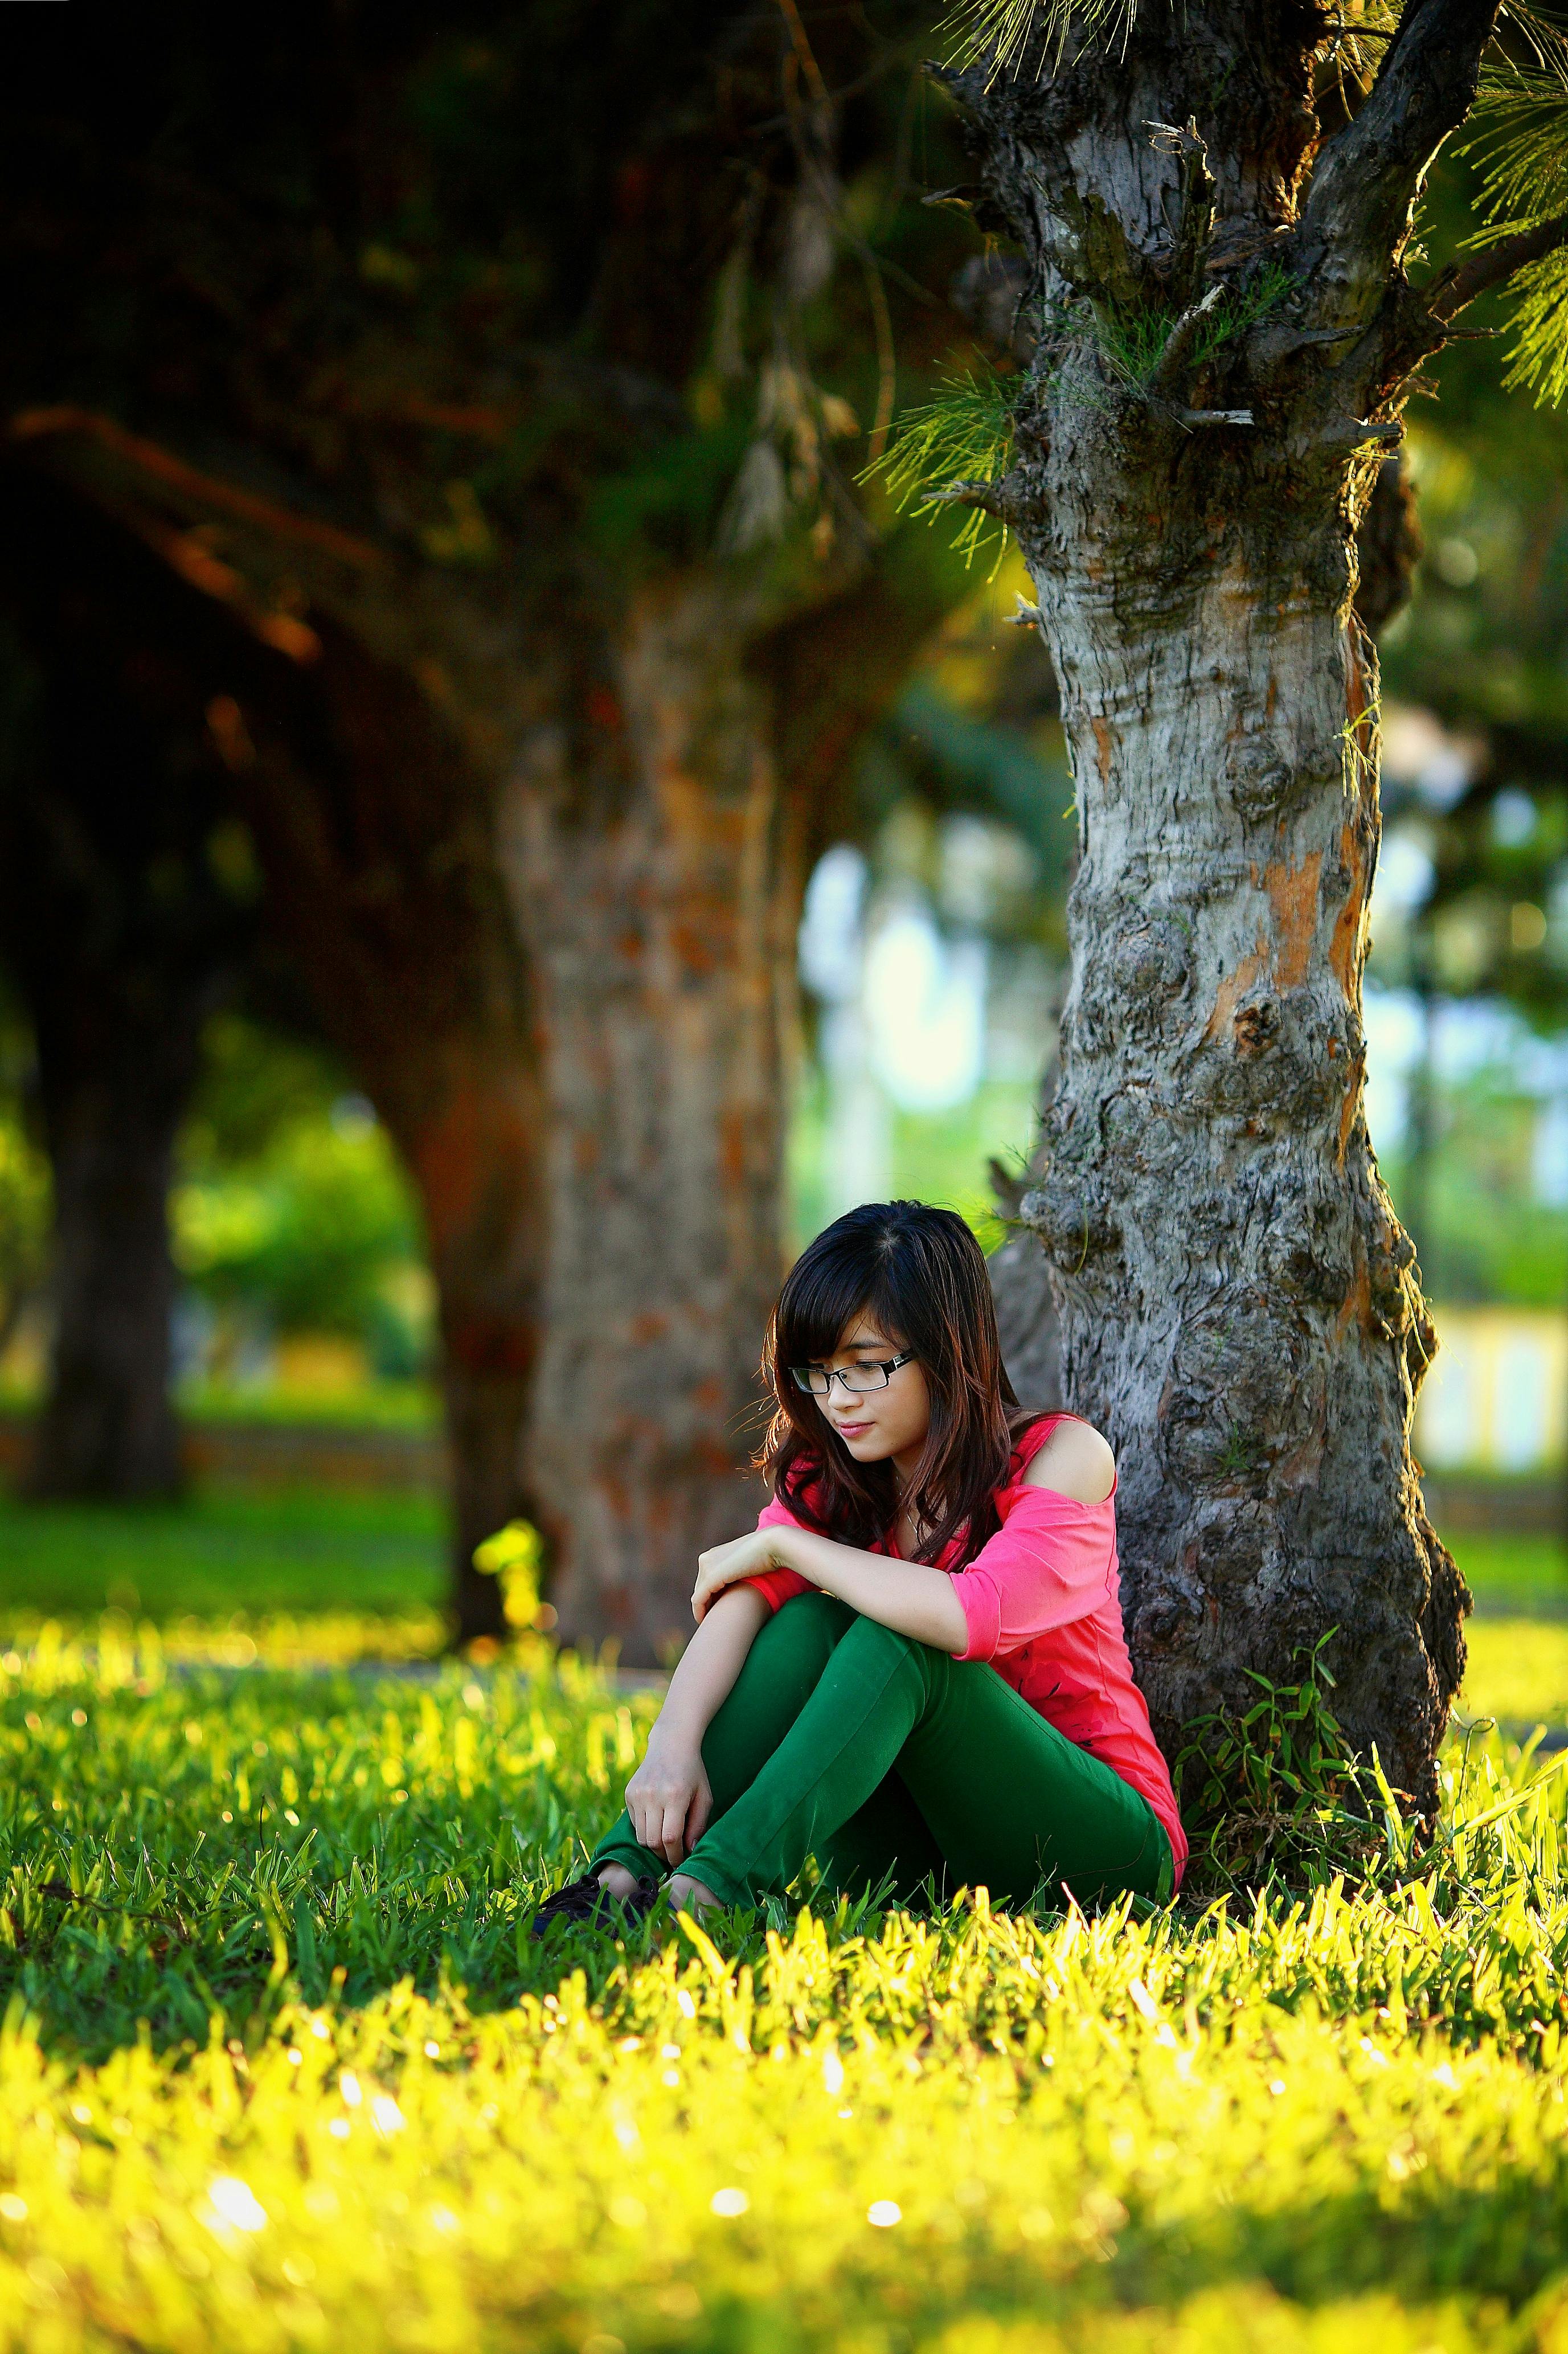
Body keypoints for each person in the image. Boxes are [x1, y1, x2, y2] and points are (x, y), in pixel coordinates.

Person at [533, 1198, 1184, 1933]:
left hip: (1097, 1860)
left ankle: (708, 1894)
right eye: (819, 1374)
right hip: (913, 1866)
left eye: (868, 1369)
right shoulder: (838, 1476)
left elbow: (974, 1615)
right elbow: (742, 1604)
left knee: (901, 1638)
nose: (839, 1403)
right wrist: (672, 1744)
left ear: (947, 1348)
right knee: (809, 1617)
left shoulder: (1061, 1460)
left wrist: (789, 1546)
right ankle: (619, 1880)